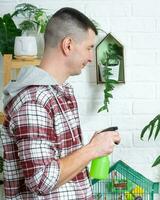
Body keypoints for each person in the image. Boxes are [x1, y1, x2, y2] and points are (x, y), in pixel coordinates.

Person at [1, 7, 121, 199]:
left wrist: (91, 146)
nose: (91, 57)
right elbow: (41, 180)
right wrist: (92, 149)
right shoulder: (34, 101)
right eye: (89, 47)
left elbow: (62, 164)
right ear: (68, 45)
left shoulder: (58, 93)